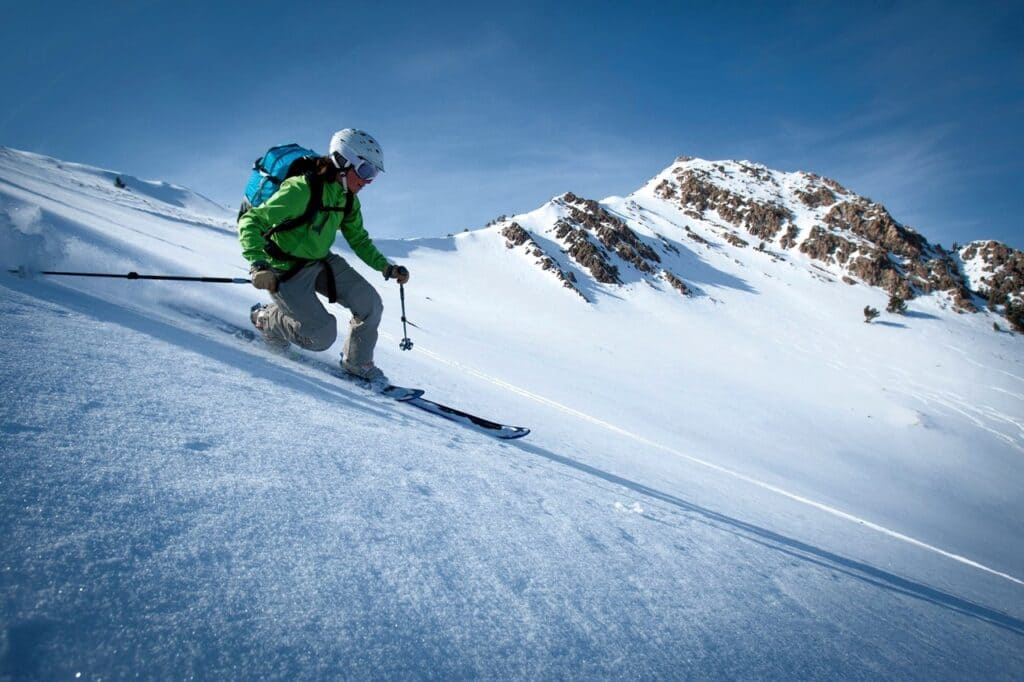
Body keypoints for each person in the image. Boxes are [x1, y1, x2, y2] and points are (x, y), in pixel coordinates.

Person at [238, 128, 409, 390]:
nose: (369, 181)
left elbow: (359, 240)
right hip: (285, 269)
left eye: (374, 174)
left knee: (370, 304)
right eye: (365, 171)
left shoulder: (348, 199)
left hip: (319, 262)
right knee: (320, 336)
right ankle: (266, 319)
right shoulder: (302, 189)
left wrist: (387, 267)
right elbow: (252, 220)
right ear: (343, 161)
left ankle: (357, 363)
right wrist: (258, 264)